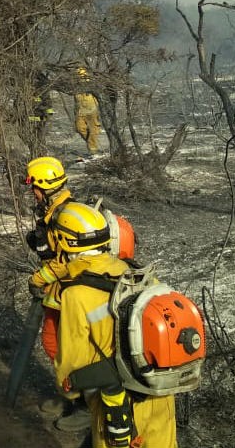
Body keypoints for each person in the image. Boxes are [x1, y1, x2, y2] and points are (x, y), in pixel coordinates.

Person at [50, 203, 178, 448]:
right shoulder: (138, 273)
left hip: (118, 403)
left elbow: (72, 361)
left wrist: (69, 390)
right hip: (161, 394)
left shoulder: (76, 294)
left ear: (65, 243)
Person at [23, 156, 91, 431]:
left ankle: (88, 405)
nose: (31, 192)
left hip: (73, 295)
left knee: (77, 352)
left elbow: (68, 261)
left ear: (43, 186)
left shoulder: (67, 215)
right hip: (59, 294)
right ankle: (71, 395)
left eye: (33, 186)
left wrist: (39, 278)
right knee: (55, 346)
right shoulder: (52, 212)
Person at [74, 67, 101, 158]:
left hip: (92, 110)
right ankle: (91, 143)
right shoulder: (75, 86)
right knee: (79, 128)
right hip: (81, 111)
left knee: (94, 130)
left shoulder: (91, 85)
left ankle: (93, 151)